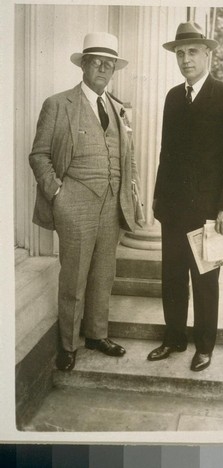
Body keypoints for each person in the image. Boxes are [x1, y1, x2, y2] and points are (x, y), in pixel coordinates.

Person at [29, 32, 141, 372]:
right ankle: (68, 343)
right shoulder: (58, 104)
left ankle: (96, 334)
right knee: (74, 278)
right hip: (74, 203)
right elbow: (39, 155)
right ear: (84, 66)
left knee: (103, 275)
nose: (104, 68)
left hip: (112, 204)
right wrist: (58, 194)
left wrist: (131, 190)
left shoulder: (117, 107)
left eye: (110, 64)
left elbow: (127, 156)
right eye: (97, 62)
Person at [147, 21, 223, 372]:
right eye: (179, 53)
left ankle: (204, 346)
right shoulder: (174, 97)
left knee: (205, 281)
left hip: (208, 211)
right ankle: (174, 338)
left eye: (192, 52)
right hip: (172, 208)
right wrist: (159, 200)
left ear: (208, 53)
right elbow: (166, 153)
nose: (185, 59)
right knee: (172, 277)